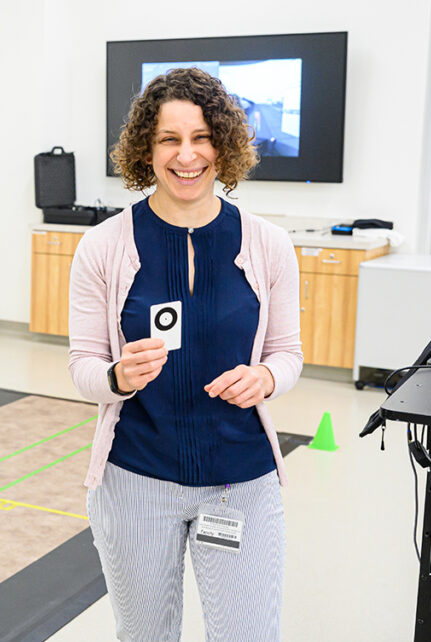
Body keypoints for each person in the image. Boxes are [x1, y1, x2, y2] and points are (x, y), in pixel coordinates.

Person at [68, 67, 302, 641]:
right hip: (136, 478)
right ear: (146, 150)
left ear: (224, 145)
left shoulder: (268, 244)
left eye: (201, 137)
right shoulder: (103, 246)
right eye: (170, 139)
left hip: (240, 479)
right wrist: (118, 377)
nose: (187, 155)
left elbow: (288, 354)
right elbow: (82, 366)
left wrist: (266, 380)